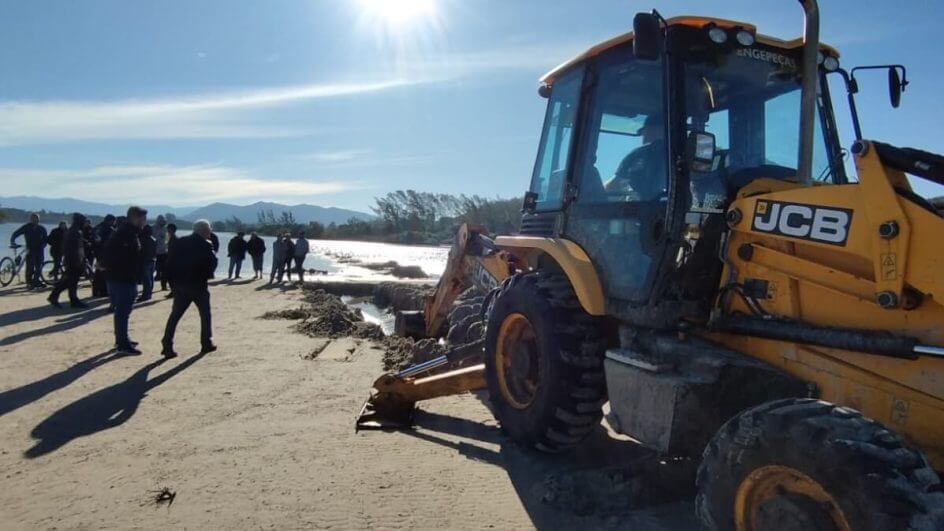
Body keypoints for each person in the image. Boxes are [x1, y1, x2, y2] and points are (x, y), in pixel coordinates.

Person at [161, 219, 217, 358]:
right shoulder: (206, 245)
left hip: (180, 284)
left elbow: (170, 262)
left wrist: (171, 283)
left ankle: (167, 344)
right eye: (209, 230)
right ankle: (206, 343)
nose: (210, 232)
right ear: (205, 231)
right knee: (205, 315)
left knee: (175, 315)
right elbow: (212, 265)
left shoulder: (180, 241)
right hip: (198, 285)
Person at [102, 206, 146, 355]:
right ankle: (122, 343)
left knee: (122, 312)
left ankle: (122, 338)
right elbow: (123, 256)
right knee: (122, 312)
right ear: (135, 218)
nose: (144, 222)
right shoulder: (126, 234)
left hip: (118, 277)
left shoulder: (124, 232)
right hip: (123, 278)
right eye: (142, 218)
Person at [605, 114, 667, 200]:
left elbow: (614, 185)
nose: (644, 136)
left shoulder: (638, 154)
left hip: (641, 208)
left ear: (657, 130)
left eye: (646, 132)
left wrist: (598, 194)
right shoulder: (680, 154)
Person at [47, 213, 89, 309]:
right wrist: (81, 260)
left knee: (70, 281)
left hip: (70, 259)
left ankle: (61, 297)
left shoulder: (71, 231)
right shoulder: (76, 232)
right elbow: (78, 248)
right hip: (74, 260)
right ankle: (70, 299)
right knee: (71, 281)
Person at [10, 212, 48, 289]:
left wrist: (43, 246)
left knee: (39, 267)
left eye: (37, 218)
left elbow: (45, 240)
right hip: (30, 250)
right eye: (33, 218)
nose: (35, 220)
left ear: (39, 219)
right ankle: (29, 282)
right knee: (30, 267)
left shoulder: (42, 228)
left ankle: (36, 281)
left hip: (40, 250)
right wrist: (12, 241)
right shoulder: (26, 227)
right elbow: (15, 234)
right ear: (31, 219)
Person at [92, 214, 116, 298]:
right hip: (104, 254)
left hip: (99, 253)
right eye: (113, 221)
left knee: (99, 272)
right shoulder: (106, 229)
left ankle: (96, 290)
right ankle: (102, 291)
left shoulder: (98, 228)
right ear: (110, 221)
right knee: (103, 273)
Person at [138, 224, 157, 302]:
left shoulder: (142, 239)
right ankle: (149, 293)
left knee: (146, 279)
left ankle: (146, 294)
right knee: (150, 278)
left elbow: (140, 251)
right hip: (152, 260)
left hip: (145, 260)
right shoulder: (153, 239)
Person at [154, 215, 169, 290]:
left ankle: (164, 285)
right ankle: (158, 277)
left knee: (164, 269)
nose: (163, 222)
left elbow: (167, 240)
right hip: (156, 252)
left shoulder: (166, 229)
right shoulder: (153, 228)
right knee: (158, 268)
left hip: (164, 251)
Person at [164, 223, 179, 298]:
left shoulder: (174, 239)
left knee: (170, 277)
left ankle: (174, 291)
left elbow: (174, 251)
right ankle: (173, 291)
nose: (167, 230)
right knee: (170, 277)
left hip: (173, 261)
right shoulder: (172, 238)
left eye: (168, 229)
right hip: (171, 260)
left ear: (172, 230)